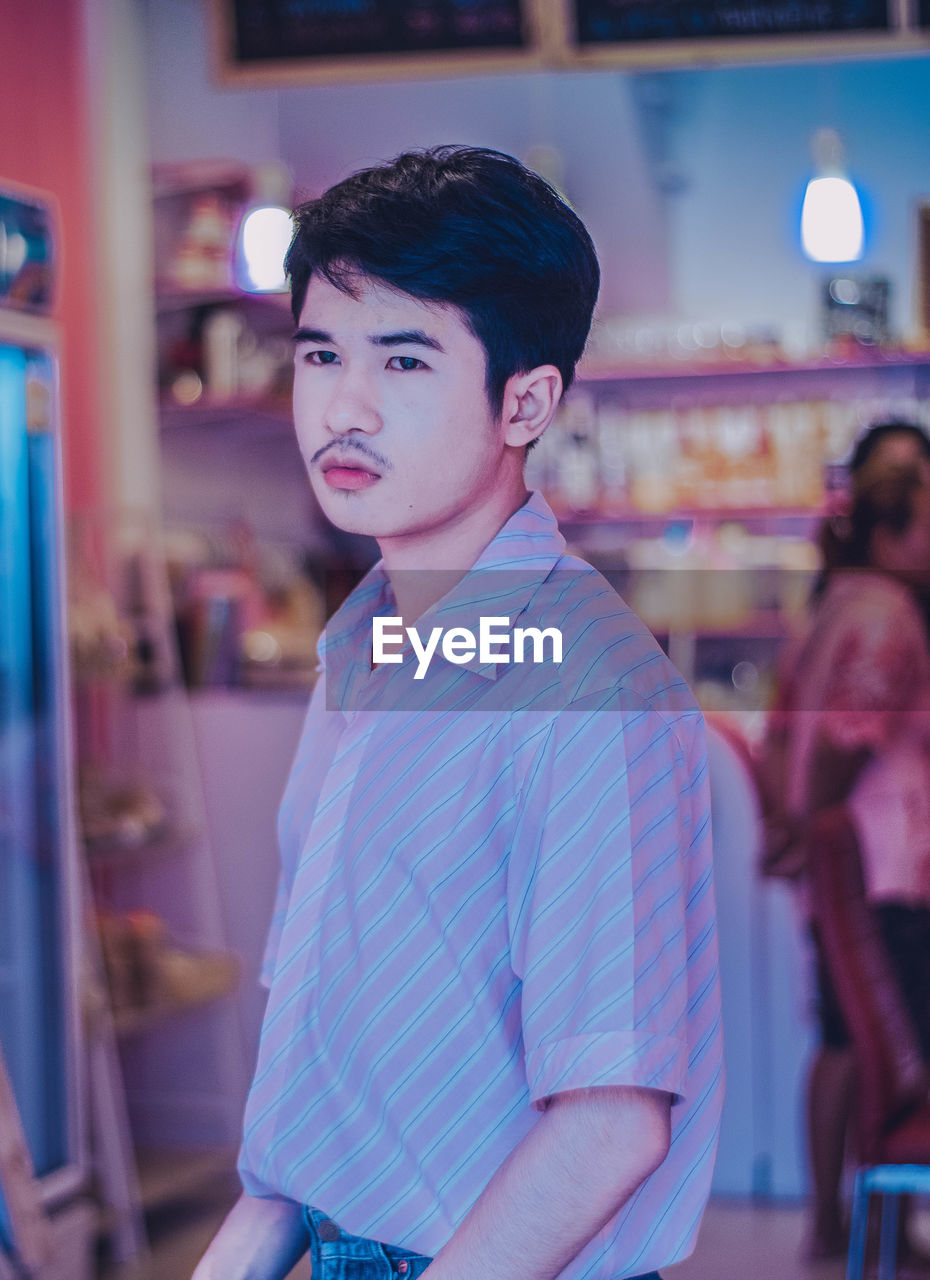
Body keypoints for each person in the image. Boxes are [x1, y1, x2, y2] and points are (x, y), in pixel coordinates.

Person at [192, 146, 723, 1280]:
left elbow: (613, 1117)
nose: (344, 405)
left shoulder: (591, 692)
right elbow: (313, 1071)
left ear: (525, 399)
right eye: (322, 352)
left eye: (406, 359)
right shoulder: (361, 653)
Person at [764, 419, 930, 1259]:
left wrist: (790, 825)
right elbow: (845, 734)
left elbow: (788, 728)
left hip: (848, 859)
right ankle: (874, 1225)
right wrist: (810, 823)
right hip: (887, 860)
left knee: (847, 1037)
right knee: (878, 1042)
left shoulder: (834, 601)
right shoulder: (890, 611)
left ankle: (850, 1224)